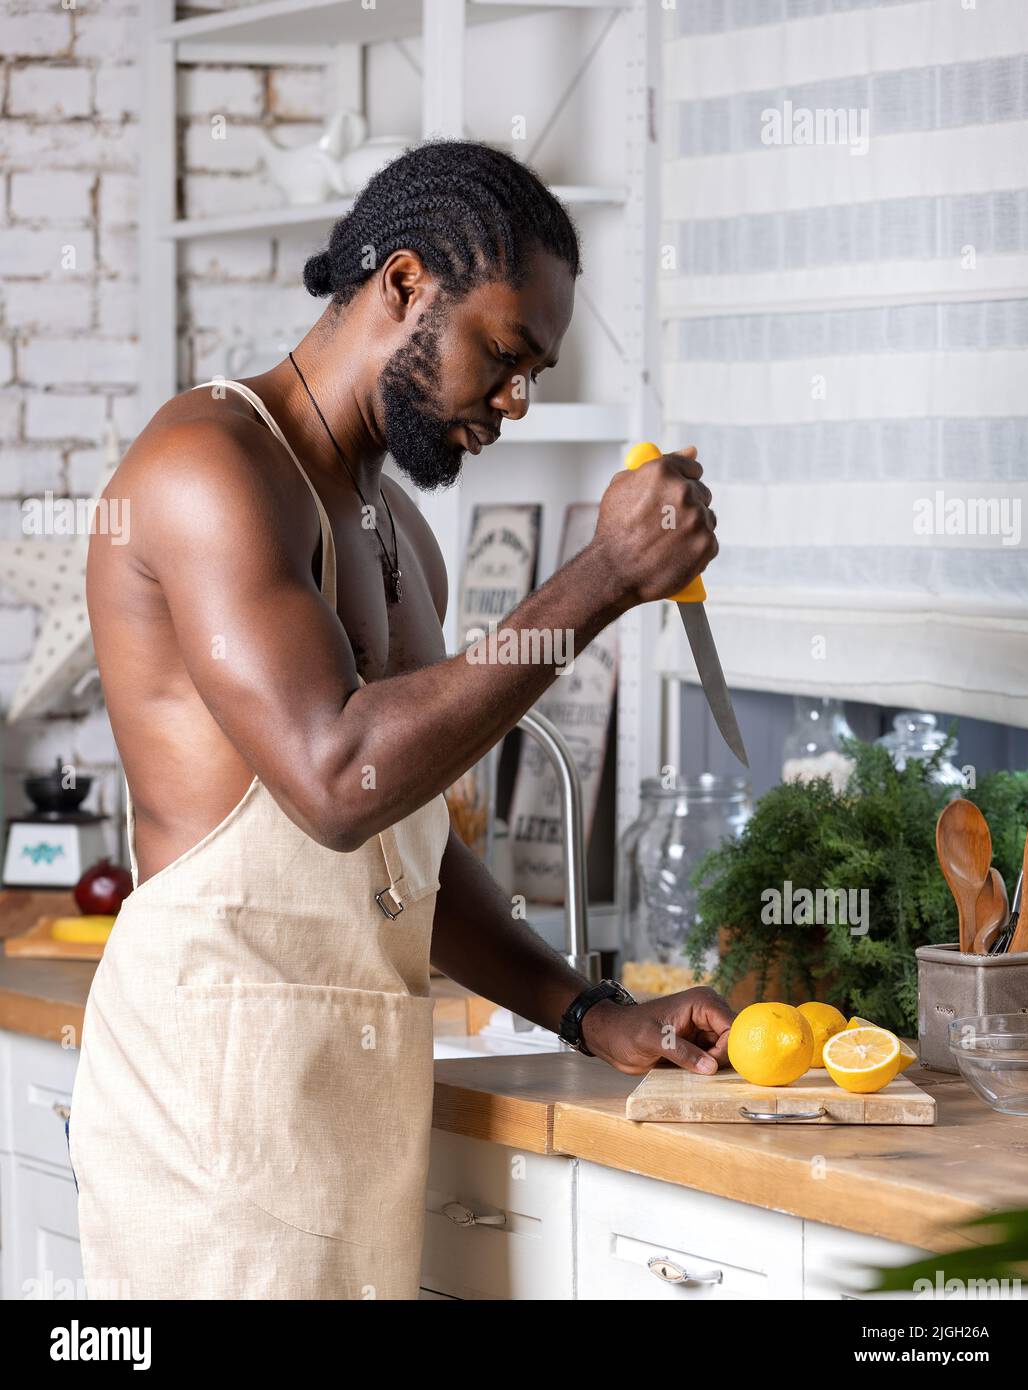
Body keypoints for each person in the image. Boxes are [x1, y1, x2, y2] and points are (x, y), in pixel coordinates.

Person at [70, 139, 734, 1300]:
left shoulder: (396, 532)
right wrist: (603, 577)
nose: (516, 401)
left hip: (346, 1112)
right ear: (404, 286)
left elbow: (408, 849)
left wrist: (589, 1011)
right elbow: (338, 782)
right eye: (505, 353)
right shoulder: (204, 466)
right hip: (208, 1120)